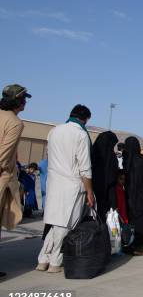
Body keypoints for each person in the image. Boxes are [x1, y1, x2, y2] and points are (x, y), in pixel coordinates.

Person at [37, 104, 94, 273]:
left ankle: (43, 258)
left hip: (54, 183)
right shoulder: (81, 135)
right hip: (73, 185)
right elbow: (85, 167)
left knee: (54, 224)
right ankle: (55, 261)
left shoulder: (54, 131)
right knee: (66, 225)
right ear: (85, 119)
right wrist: (89, 190)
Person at [0, 85, 29, 276]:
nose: (26, 102)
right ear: (18, 101)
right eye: (24, 98)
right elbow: (3, 155)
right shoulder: (15, 123)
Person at [123, 137, 143, 255]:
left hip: (127, 195)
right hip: (140, 195)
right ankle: (139, 247)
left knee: (129, 221)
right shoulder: (142, 160)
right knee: (141, 222)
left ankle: (128, 246)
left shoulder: (125, 160)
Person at [91, 131, 119, 219]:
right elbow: (113, 175)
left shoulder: (92, 153)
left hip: (92, 189)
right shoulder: (111, 157)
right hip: (106, 193)